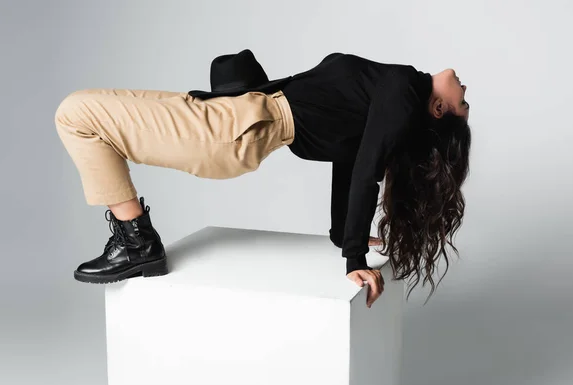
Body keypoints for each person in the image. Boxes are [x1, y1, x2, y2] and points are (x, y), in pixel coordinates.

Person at [54, 50, 471, 307]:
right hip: (233, 117)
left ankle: (136, 242)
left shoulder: (403, 90)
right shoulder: (394, 88)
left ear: (439, 110)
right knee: (84, 114)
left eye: (464, 101)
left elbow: (366, 170)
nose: (464, 88)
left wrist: (354, 257)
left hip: (233, 128)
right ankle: (136, 242)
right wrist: (343, 233)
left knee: (77, 113)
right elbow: (351, 157)